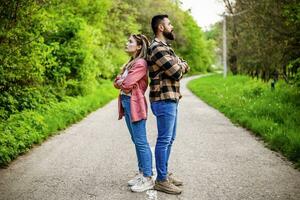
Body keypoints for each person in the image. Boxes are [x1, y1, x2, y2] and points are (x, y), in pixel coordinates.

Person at [147, 15, 190, 195]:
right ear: (161, 28)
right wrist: (180, 65)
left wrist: (181, 64)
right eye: (169, 24)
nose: (172, 27)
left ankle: (164, 173)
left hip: (170, 98)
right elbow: (176, 72)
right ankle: (162, 180)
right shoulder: (157, 48)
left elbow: (184, 65)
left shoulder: (165, 48)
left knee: (169, 139)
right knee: (164, 140)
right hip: (163, 99)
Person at [113, 34, 153, 192]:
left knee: (141, 141)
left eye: (130, 42)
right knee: (136, 140)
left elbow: (127, 83)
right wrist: (121, 82)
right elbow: (117, 83)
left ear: (138, 47)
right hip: (126, 101)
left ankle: (148, 177)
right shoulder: (131, 63)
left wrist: (121, 82)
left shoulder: (141, 63)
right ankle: (142, 173)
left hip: (134, 104)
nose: (127, 43)